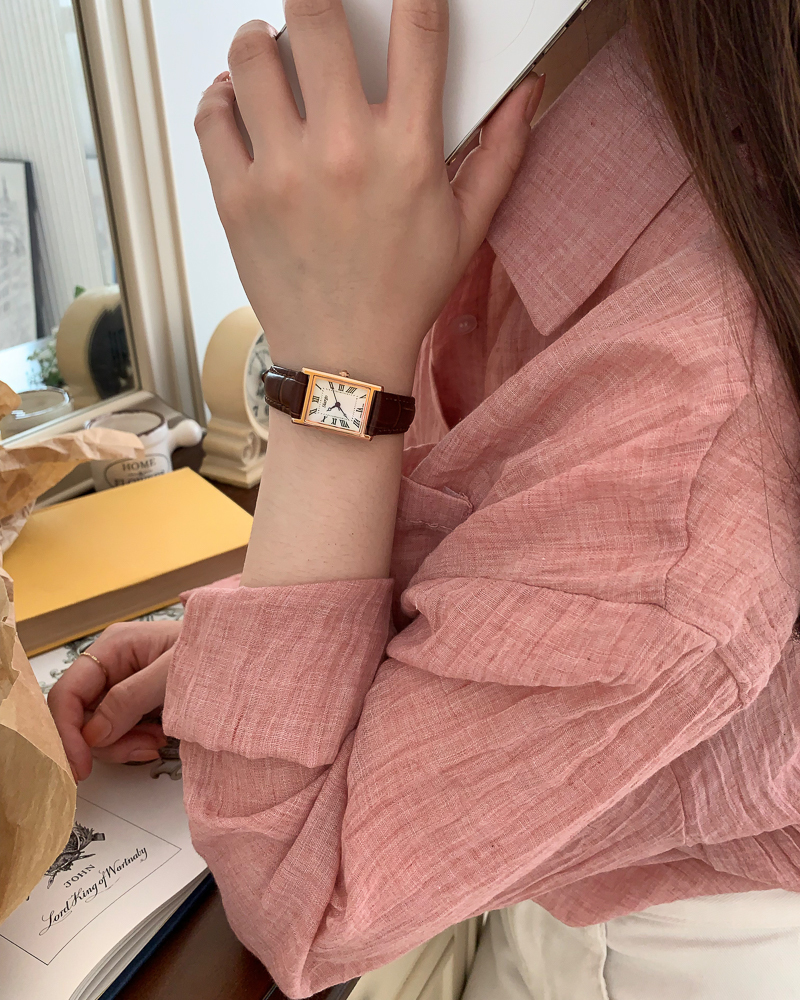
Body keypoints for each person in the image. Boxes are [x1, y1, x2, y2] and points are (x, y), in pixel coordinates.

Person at [48, 1, 800, 997]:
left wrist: (336, 365)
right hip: (517, 865)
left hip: (632, 957)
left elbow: (299, 904)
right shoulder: (557, 134)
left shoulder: (693, 416)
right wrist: (227, 660)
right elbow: (486, 541)